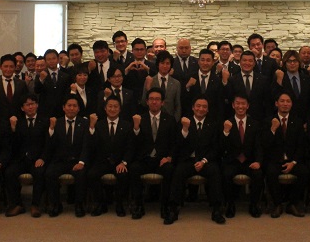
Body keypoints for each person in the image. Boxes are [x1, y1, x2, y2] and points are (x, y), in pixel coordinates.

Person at [167, 96, 225, 225]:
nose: (201, 109)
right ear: (193, 107)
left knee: (215, 171)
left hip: (206, 161)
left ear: (208, 109)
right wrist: (185, 130)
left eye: (204, 107)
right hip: (188, 160)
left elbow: (216, 148)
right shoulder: (184, 122)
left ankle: (217, 210)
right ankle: (173, 209)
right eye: (198, 106)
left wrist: (203, 161)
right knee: (178, 171)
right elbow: (178, 145)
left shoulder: (213, 124)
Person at [129, 87, 177, 219]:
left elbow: (174, 143)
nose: (154, 102)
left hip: (162, 160)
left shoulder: (170, 119)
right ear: (147, 102)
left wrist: (169, 157)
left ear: (162, 102)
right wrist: (136, 128)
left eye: (157, 99)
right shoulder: (140, 119)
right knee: (134, 169)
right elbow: (134, 143)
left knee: (170, 170)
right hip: (145, 159)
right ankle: (138, 205)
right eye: (151, 99)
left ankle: (165, 206)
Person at [261, 91, 309, 218]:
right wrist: (272, 129)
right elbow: (264, 144)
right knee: (270, 172)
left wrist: (293, 162)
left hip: (292, 160)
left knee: (304, 172)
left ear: (291, 104)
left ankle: (292, 204)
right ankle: (277, 204)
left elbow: (301, 145)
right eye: (282, 101)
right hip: (275, 161)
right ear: (276, 103)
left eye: (288, 101)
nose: (285, 104)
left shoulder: (297, 122)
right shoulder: (268, 121)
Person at [4, 95, 52, 217]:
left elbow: (48, 143)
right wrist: (13, 129)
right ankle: (17, 204)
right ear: (22, 108)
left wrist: (42, 158)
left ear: (37, 105)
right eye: (27, 104)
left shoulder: (45, 121)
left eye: (32, 104)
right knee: (9, 172)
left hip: (37, 159)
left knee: (39, 173)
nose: (30, 107)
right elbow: (12, 145)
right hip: (21, 159)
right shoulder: (17, 122)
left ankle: (35, 205)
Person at [44, 95, 90, 218]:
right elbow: (50, 146)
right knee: (49, 173)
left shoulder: (84, 123)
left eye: (74, 106)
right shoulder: (56, 122)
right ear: (63, 108)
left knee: (81, 174)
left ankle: (79, 205)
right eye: (69, 105)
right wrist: (51, 129)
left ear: (78, 108)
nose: (71, 108)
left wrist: (81, 162)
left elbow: (86, 145)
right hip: (60, 161)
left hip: (77, 160)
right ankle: (55, 205)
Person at [88, 96, 134, 217]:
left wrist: (124, 162)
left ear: (120, 109)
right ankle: (100, 204)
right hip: (102, 162)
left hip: (119, 162)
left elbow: (130, 147)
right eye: (110, 106)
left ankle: (119, 204)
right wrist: (91, 127)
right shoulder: (98, 125)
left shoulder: (127, 125)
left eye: (115, 107)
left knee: (123, 175)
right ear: (105, 108)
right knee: (92, 174)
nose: (112, 109)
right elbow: (92, 146)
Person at [220, 94, 265, 218]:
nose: (240, 106)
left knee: (258, 174)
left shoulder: (255, 124)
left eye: (243, 103)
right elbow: (221, 147)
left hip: (249, 161)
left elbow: (259, 146)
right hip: (232, 161)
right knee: (225, 174)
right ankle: (230, 205)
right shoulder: (227, 123)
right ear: (233, 105)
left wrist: (258, 162)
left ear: (248, 106)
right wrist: (226, 132)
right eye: (238, 103)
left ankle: (254, 205)